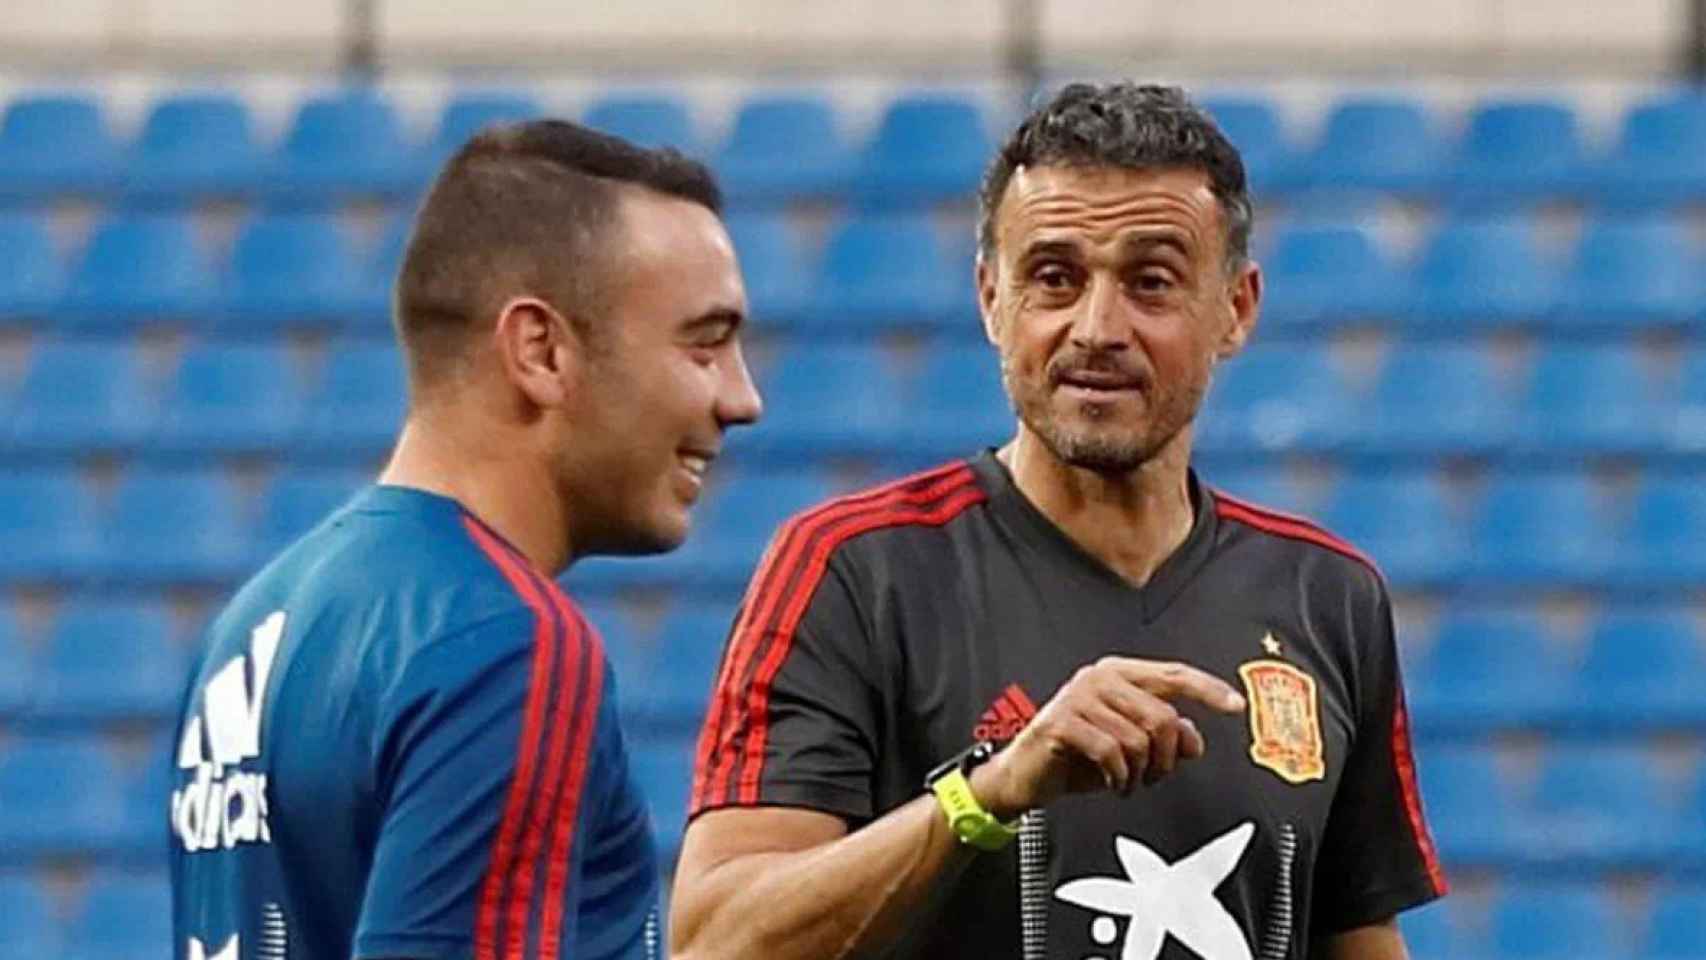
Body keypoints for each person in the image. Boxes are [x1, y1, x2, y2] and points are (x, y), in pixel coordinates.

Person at [671, 82, 1444, 960]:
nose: (1096, 327)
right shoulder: (853, 570)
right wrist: (988, 793)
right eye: (1054, 278)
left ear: (1236, 309)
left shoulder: (1327, 597)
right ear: (991, 299)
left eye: (1151, 283)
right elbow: (714, 943)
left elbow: (1360, 936)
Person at [168, 120, 762, 960]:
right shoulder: (504, 647)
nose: (743, 399)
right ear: (540, 350)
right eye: (705, 345)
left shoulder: (250, 625)